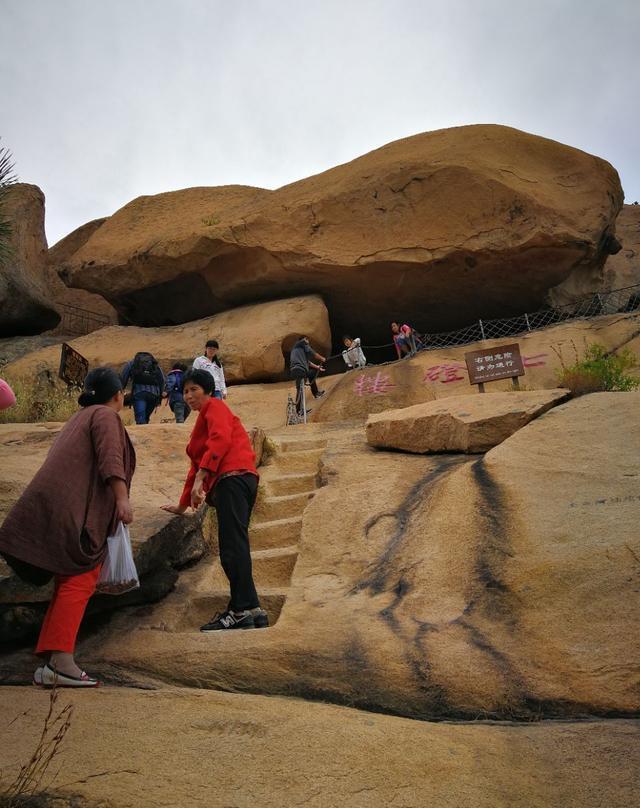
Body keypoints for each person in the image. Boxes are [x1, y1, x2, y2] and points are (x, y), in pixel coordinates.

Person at [0, 368, 136, 688]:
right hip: (71, 510)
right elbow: (110, 458)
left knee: (69, 578)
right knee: (80, 576)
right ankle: (61, 662)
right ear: (118, 395)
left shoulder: (79, 417)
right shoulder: (105, 415)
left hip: (55, 504)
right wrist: (122, 500)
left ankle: (53, 659)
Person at [161, 369, 267, 631]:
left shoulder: (215, 407)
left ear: (208, 390)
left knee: (232, 549)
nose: (188, 395)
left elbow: (220, 439)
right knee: (235, 546)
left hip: (232, 478)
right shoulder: (202, 421)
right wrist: (182, 505)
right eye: (185, 391)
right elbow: (194, 467)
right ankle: (251, 608)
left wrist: (202, 476)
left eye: (194, 389)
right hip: (236, 481)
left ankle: (241, 610)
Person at [120, 351, 164, 424]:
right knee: (146, 418)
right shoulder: (154, 364)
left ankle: (142, 432)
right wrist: (160, 396)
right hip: (153, 394)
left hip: (139, 393)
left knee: (140, 418)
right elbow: (161, 380)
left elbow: (123, 377)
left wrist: (121, 391)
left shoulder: (132, 363)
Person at [289, 336, 326, 416]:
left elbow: (308, 363)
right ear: (302, 340)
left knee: (311, 374)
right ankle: (299, 411)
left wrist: (318, 367)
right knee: (300, 389)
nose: (307, 341)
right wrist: (322, 358)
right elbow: (313, 353)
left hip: (298, 370)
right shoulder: (300, 343)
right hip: (298, 370)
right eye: (306, 339)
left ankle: (316, 393)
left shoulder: (300, 351)